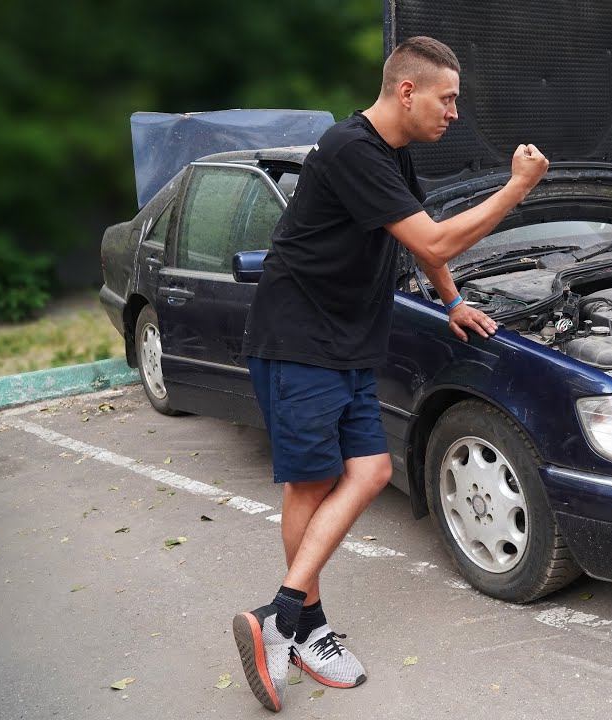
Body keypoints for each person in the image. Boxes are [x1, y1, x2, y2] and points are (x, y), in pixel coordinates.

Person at [235, 36, 549, 712]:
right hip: (298, 339)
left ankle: (284, 615)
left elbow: (421, 235)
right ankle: (301, 626)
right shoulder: (349, 149)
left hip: (344, 341)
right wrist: (516, 188)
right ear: (407, 92)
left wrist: (455, 301)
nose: (454, 113)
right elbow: (436, 240)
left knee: (372, 473)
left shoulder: (391, 157)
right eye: (448, 98)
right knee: (313, 483)